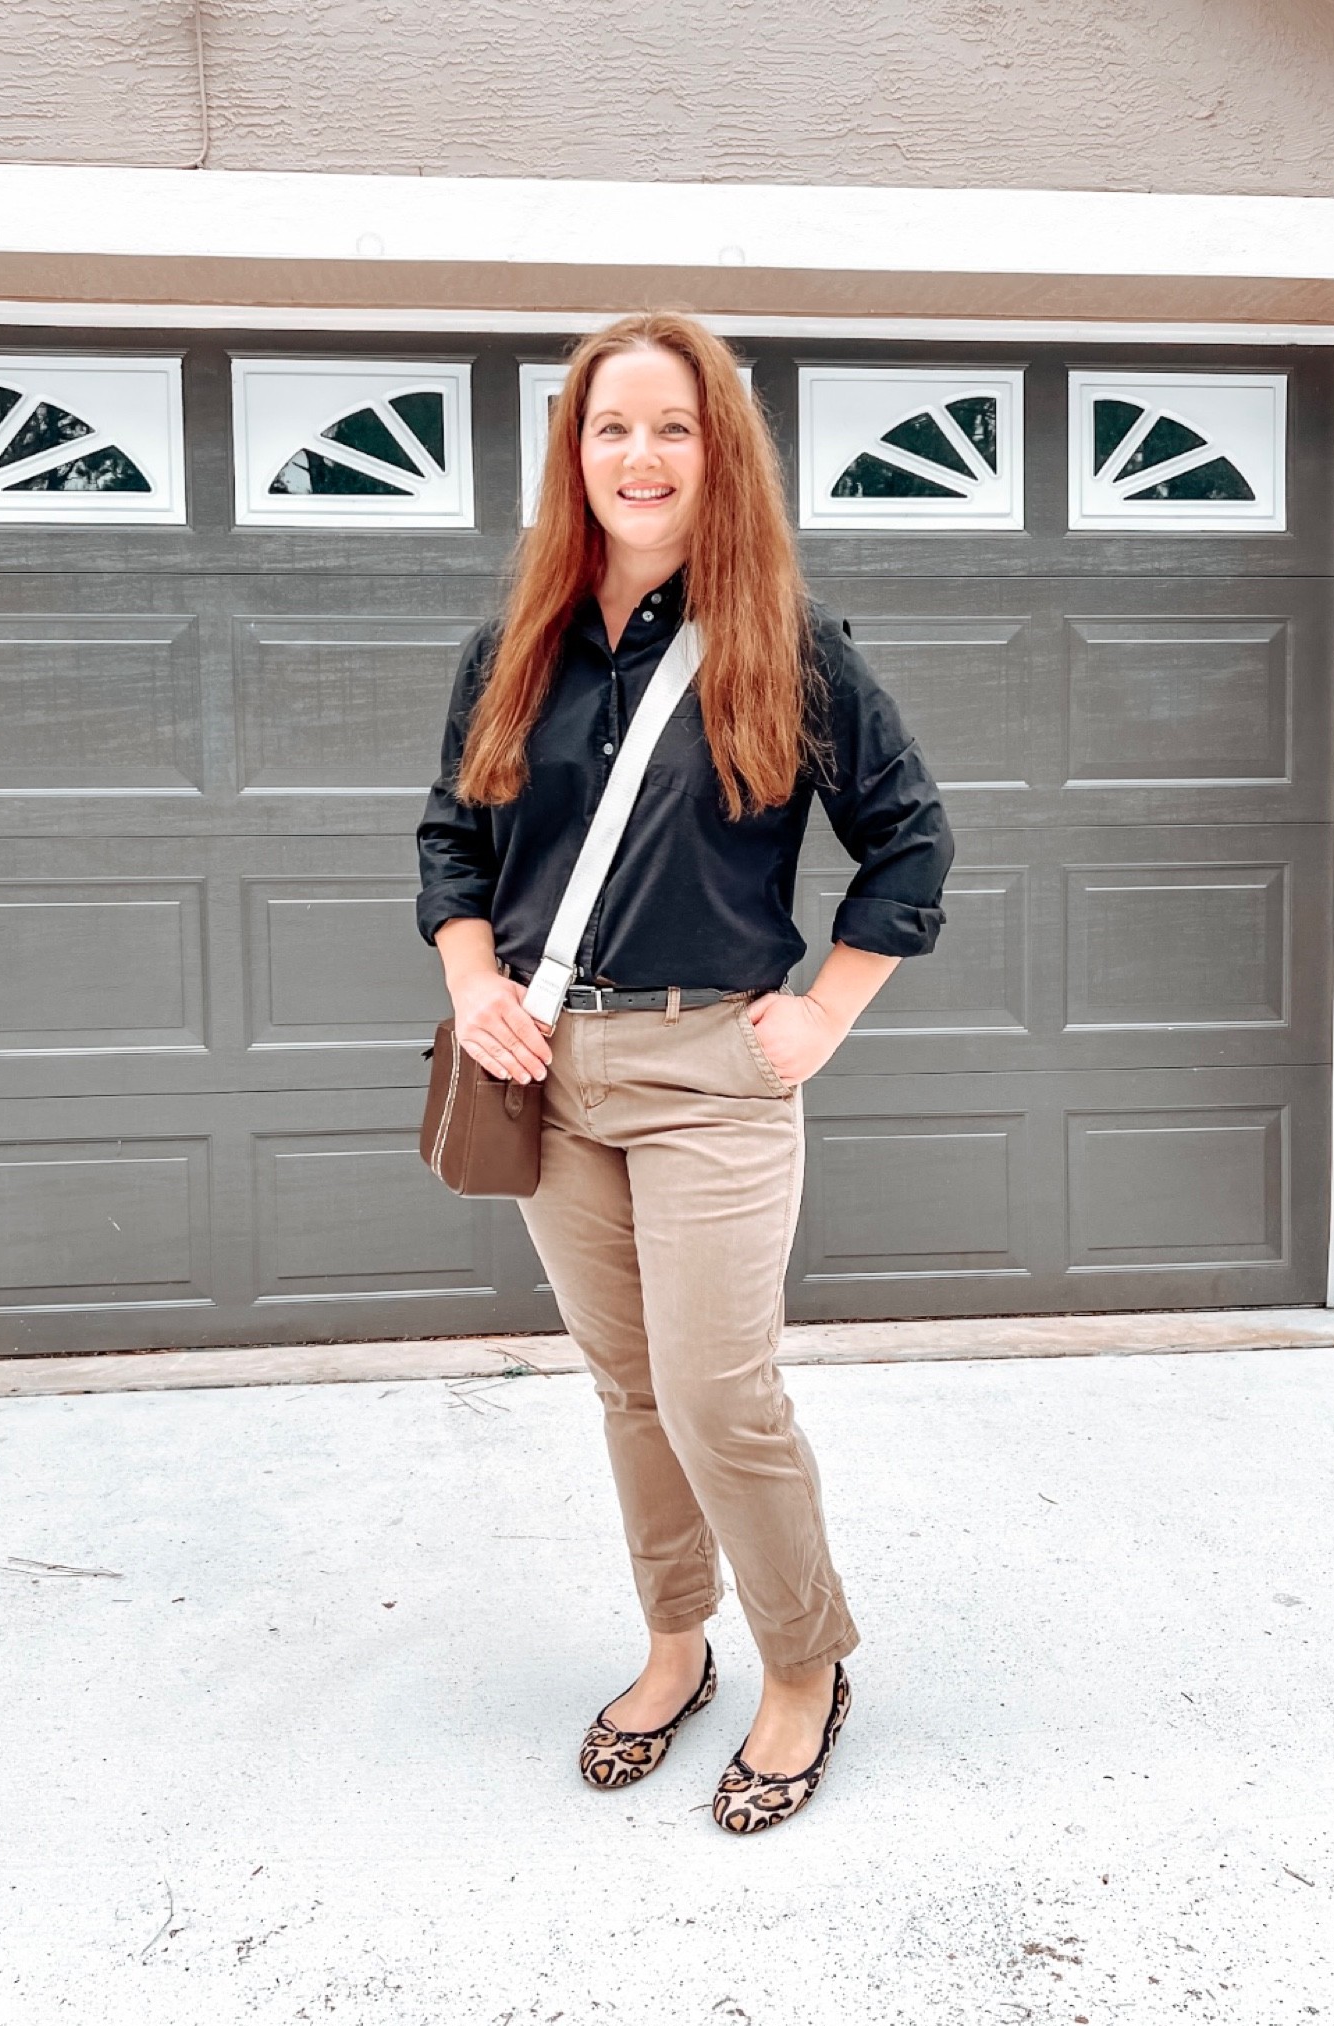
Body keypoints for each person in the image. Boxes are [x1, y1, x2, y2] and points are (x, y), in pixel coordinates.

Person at [416, 312, 953, 1834]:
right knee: (632, 1389)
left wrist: (826, 1013)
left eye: (672, 427)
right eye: (610, 428)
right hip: (545, 1068)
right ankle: (674, 1644)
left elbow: (911, 839)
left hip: (709, 1068)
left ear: (718, 452)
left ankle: (804, 1664)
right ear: (572, 455)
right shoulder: (513, 643)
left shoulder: (786, 640)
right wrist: (473, 986)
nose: (639, 456)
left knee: (723, 1398)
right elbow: (452, 843)